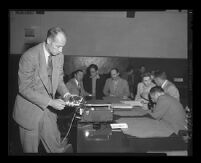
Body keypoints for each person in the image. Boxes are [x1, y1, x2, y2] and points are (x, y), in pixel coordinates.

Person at [13, 27, 72, 153]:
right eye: (58, 46)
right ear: (49, 41)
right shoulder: (29, 56)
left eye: (63, 46)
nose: (61, 50)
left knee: (57, 148)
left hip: (48, 112)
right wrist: (50, 102)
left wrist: (66, 94)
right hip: (29, 112)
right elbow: (24, 88)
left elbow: (59, 80)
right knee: (31, 150)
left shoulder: (59, 56)